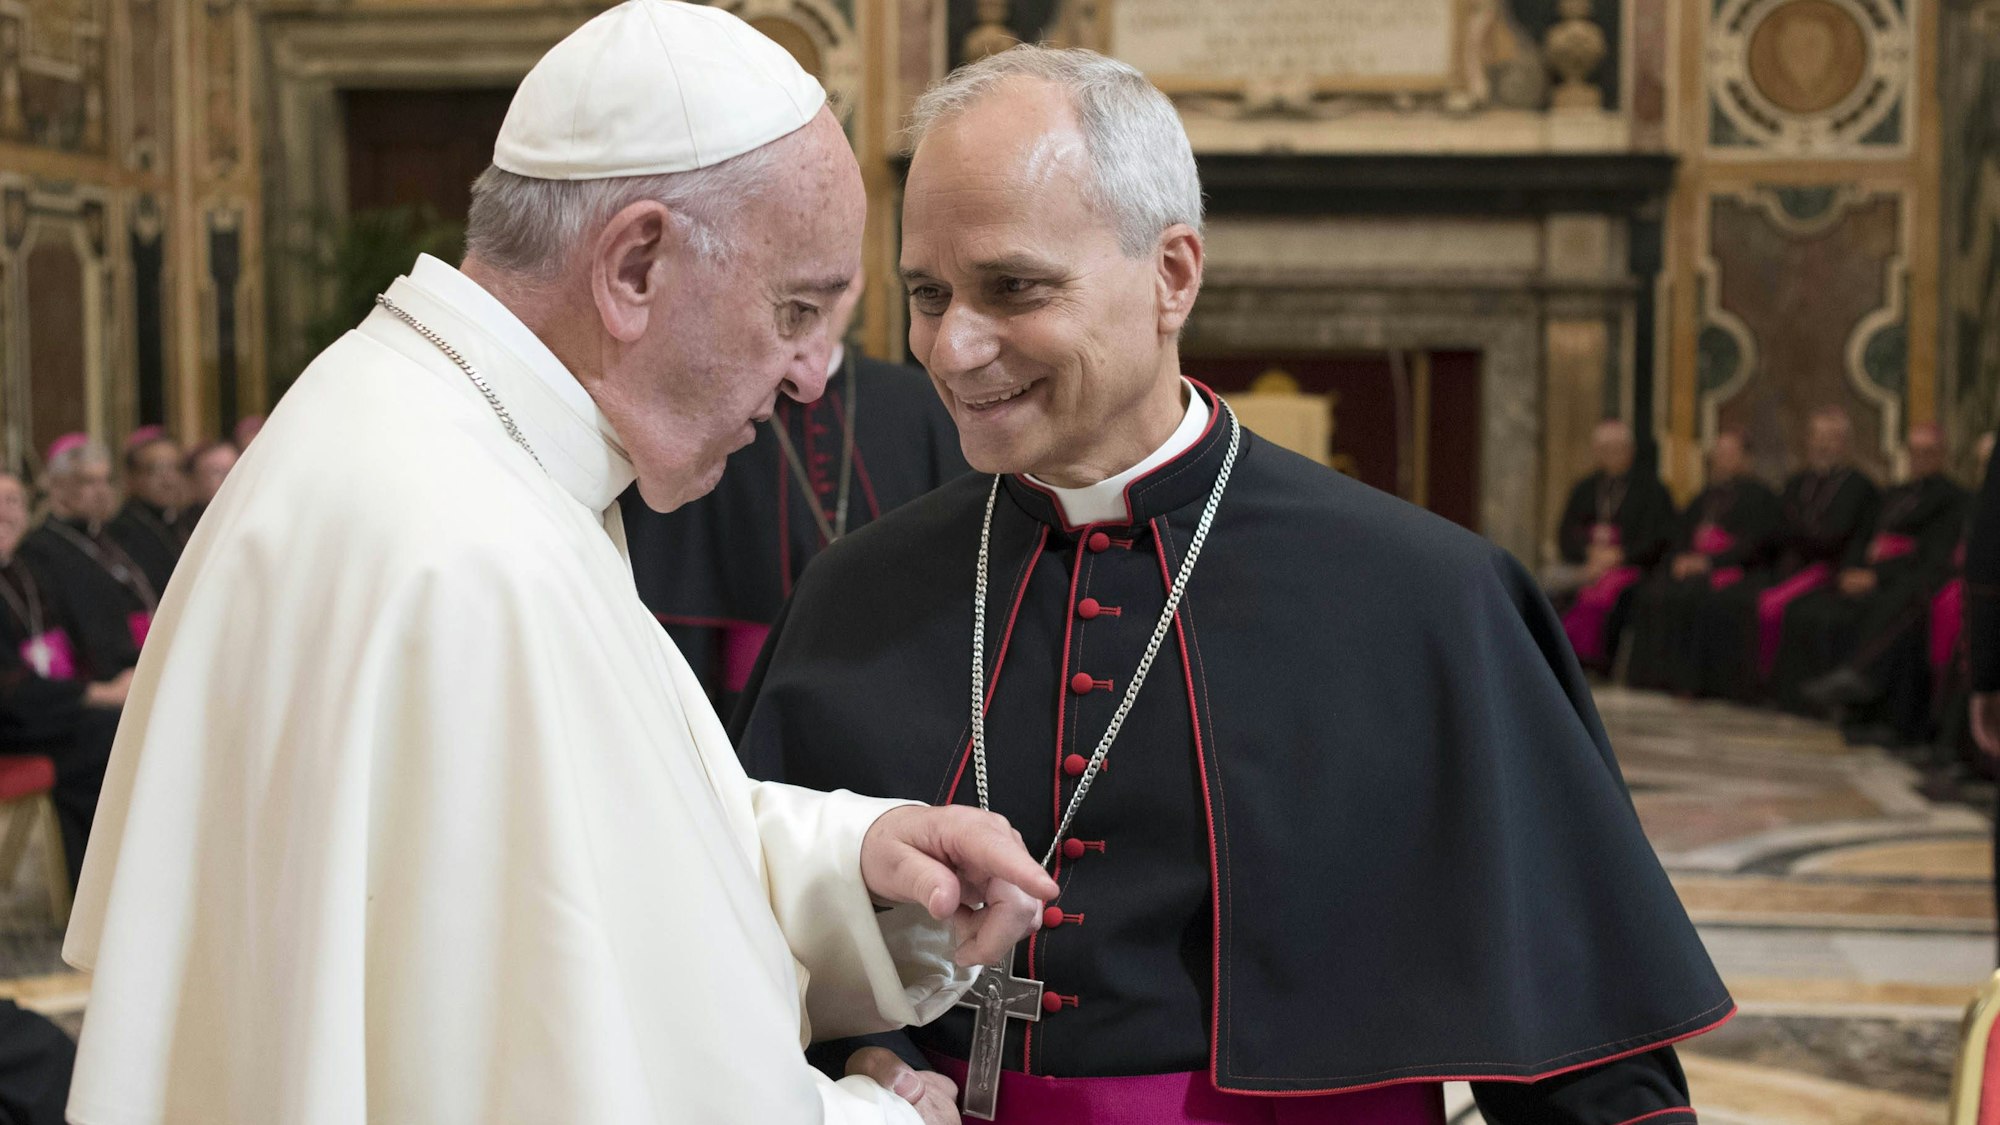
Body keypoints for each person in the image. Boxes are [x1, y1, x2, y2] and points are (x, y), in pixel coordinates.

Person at [63, 6, 1057, 1123]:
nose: (808, 381)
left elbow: (594, 866)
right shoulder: (471, 553)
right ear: (634, 263)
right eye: (793, 311)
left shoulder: (416, 428)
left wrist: (856, 864)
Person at [735, 46, 1729, 1125]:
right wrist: (859, 1057)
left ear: (1172, 275)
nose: (954, 346)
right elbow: (744, 948)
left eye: (1012, 287)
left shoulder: (1427, 602)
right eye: (927, 295)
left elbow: (1582, 1059)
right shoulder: (854, 594)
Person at [623, 277, 967, 707]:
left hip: (901, 687)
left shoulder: (920, 405)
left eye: (842, 284)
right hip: (740, 699)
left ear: (860, 286)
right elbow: (677, 582)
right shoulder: (710, 410)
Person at [1689, 407, 1879, 701]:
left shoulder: (1860, 486)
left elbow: (1842, 537)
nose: (1822, 444)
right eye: (1817, 437)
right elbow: (1776, 528)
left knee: (1774, 607)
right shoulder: (1797, 482)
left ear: (1845, 443)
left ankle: (1775, 690)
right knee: (1732, 599)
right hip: (1786, 565)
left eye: (1831, 438)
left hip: (1827, 570)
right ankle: (1737, 687)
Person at [1785, 424, 1966, 723]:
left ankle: (1857, 680)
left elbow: (1932, 554)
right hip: (1870, 575)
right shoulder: (1893, 493)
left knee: (1889, 608)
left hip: (1905, 578)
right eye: (1913, 452)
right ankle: (1819, 700)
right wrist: (1853, 570)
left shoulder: (1952, 498)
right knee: (1817, 609)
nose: (1918, 459)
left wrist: (1877, 577)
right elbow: (1864, 537)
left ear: (1941, 455)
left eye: (1927, 453)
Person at [0, 472, 127, 887]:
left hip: (43, 710)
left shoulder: (25, 569)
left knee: (121, 728)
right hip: (13, 720)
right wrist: (98, 694)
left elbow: (70, 644)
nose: (5, 512)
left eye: (15, 502)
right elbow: (9, 688)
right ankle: (98, 890)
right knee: (106, 738)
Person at [1625, 431, 1782, 694]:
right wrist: (1681, 559)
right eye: (1718, 455)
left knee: (1698, 597)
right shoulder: (1705, 496)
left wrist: (1709, 562)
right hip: (1698, 567)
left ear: (1746, 459)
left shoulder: (1760, 496)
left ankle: (1696, 684)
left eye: (1729, 455)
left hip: (1739, 570)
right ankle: (1656, 680)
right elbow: (1679, 533)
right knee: (1654, 592)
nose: (1722, 461)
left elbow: (1756, 544)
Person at [18, 436, 155, 684]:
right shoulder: (39, 548)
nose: (102, 490)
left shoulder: (105, 536)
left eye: (106, 480)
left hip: (135, 664)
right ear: (57, 486)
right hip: (102, 677)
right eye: (88, 481)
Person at [1548, 419, 1675, 673]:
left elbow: (1658, 538)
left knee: (1603, 594)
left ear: (1630, 450)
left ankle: (1591, 662)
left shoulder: (1651, 489)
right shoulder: (1584, 488)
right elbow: (1565, 534)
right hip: (1586, 564)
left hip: (1632, 567)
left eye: (1617, 449)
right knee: (1545, 583)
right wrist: (1589, 553)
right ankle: (1551, 657)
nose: (1610, 455)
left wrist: (1618, 557)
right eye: (1604, 449)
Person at [107, 426, 184, 594]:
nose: (169, 480)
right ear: (131, 476)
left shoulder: (184, 525)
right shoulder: (118, 533)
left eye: (175, 468)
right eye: (157, 469)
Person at [175, 440, 240, 542]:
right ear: (194, 480)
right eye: (217, 472)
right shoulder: (180, 527)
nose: (228, 477)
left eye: (234, 469)